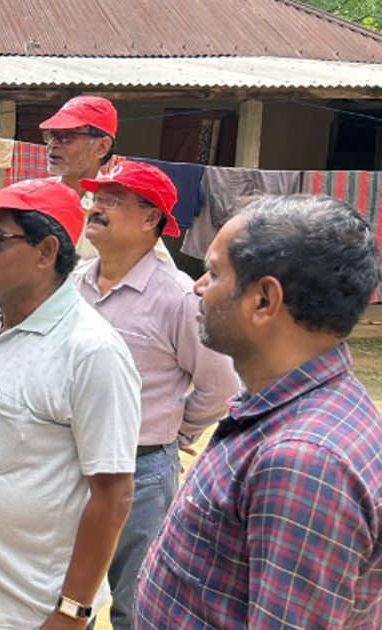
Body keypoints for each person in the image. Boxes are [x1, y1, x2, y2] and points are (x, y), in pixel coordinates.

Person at [137, 196, 382, 629]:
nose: (197, 287)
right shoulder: (288, 411)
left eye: (213, 273)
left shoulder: (303, 462)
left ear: (264, 300)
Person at [0, 178, 140, 630]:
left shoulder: (92, 352)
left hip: (24, 614)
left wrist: (72, 611)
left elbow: (114, 495)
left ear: (46, 252)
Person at [71, 162, 240, 630]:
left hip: (139, 470)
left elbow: (222, 384)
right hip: (69, 462)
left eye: (112, 199)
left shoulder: (180, 297)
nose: (96, 206)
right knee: (64, 594)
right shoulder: (73, 284)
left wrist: (176, 430)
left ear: (151, 219)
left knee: (135, 602)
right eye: (96, 197)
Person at [40, 96, 172, 264]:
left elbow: (163, 274)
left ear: (102, 147)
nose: (53, 144)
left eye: (67, 136)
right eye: (51, 135)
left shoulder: (121, 208)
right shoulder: (35, 198)